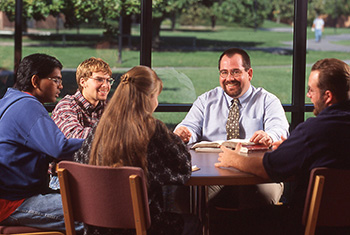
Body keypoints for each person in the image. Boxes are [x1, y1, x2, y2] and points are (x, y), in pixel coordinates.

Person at [216, 58, 350, 233]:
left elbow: (268, 168)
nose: (308, 95)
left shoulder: (312, 131)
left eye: (311, 90)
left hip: (307, 226)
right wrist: (293, 148)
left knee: (232, 221)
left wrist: (233, 158)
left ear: (328, 96)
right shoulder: (312, 137)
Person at [74, 65, 201, 235]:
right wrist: (176, 139)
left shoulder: (100, 128)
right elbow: (183, 168)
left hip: (97, 228)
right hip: (143, 226)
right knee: (193, 222)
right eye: (156, 97)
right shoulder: (152, 129)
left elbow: (80, 163)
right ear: (149, 97)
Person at [174, 48, 289, 208]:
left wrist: (269, 136)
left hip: (256, 172)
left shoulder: (267, 101)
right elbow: (189, 127)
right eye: (224, 72)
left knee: (261, 196)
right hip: (214, 172)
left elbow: (280, 129)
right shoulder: (206, 100)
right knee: (185, 196)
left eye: (235, 72)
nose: (229, 78)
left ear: (249, 74)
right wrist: (184, 133)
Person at [0, 53, 83, 232]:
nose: (61, 86)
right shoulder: (27, 106)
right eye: (55, 80)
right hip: (13, 203)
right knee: (95, 213)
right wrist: (99, 140)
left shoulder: (9, 101)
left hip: (12, 196)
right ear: (35, 81)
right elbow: (60, 148)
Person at [51, 57, 113, 139]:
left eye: (108, 80)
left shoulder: (108, 107)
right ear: (83, 82)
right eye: (99, 80)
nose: (106, 85)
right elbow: (75, 137)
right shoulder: (67, 106)